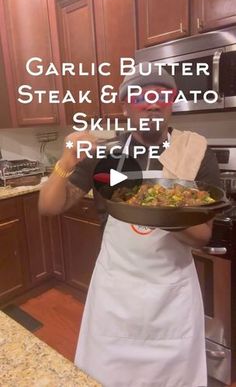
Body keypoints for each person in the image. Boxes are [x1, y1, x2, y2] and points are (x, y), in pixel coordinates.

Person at [39, 62, 221, 387]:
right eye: (141, 96)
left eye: (161, 97)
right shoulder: (106, 154)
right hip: (116, 294)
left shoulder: (194, 153)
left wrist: (160, 202)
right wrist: (66, 160)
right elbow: (49, 205)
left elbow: (201, 235)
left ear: (171, 103)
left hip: (172, 297)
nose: (151, 104)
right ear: (125, 105)